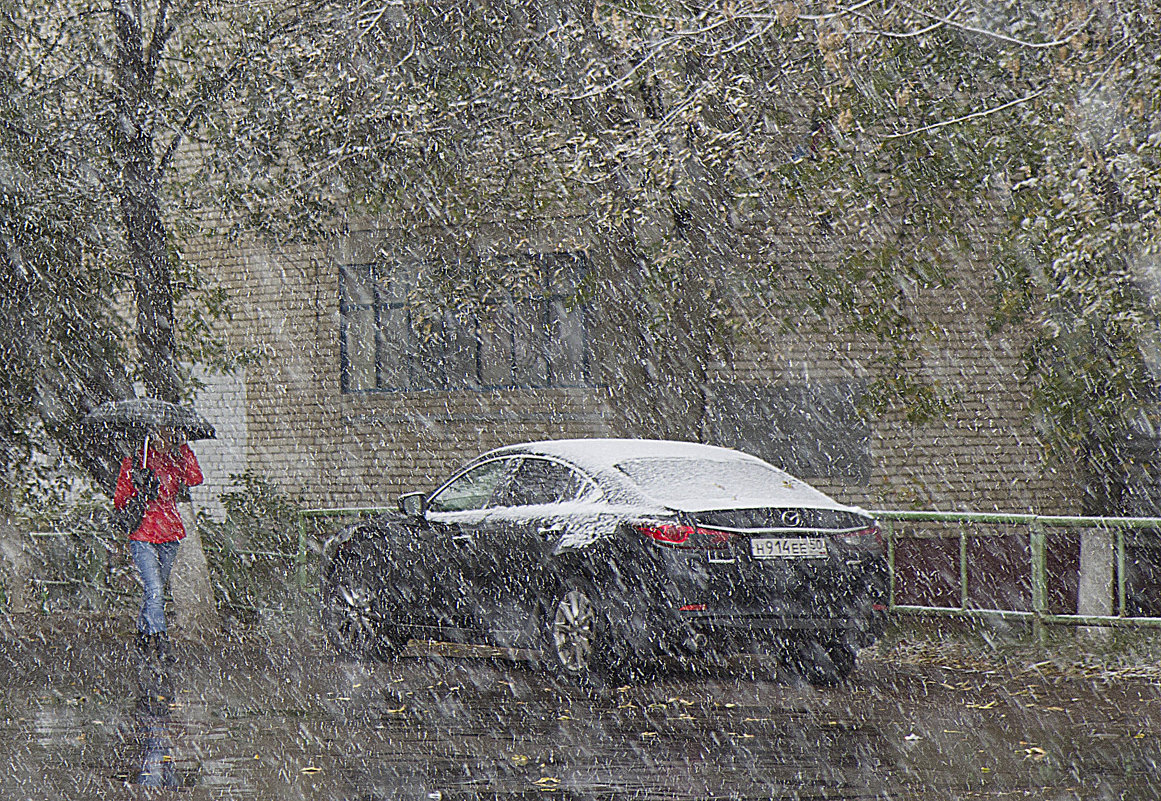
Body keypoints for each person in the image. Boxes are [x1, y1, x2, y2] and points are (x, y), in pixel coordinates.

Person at [114, 426, 203, 661]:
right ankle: (162, 642)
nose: (165, 438)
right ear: (150, 435)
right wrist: (138, 487)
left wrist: (184, 447)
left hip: (170, 535)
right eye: (160, 433)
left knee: (155, 592)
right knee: (154, 591)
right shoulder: (136, 461)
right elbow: (119, 499)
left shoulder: (174, 460)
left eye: (169, 433)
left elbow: (195, 478)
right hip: (143, 535)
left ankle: (142, 636)